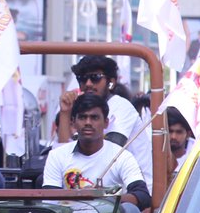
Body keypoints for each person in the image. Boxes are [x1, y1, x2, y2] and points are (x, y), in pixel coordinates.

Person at [43, 93, 150, 213]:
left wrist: (104, 199)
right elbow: (50, 198)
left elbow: (143, 196)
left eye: (94, 118)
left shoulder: (121, 156)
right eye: (82, 117)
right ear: (73, 122)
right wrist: (82, 197)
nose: (88, 122)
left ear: (106, 123)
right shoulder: (57, 155)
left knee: (131, 210)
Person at [59, 55, 152, 190]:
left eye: (95, 77)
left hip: (133, 191)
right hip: (96, 188)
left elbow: (109, 153)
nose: (88, 84)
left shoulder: (121, 106)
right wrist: (65, 112)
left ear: (111, 82)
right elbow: (64, 152)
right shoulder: (81, 108)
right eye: (83, 79)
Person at [165, 107, 195, 172]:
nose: (173, 137)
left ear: (188, 134)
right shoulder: (153, 153)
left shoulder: (196, 154)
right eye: (170, 131)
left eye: (179, 132)